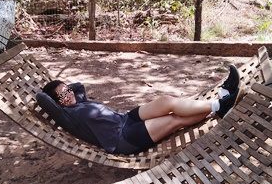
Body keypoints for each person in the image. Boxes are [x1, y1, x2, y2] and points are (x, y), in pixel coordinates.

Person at [37, 65, 241, 155]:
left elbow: (79, 86)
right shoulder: (68, 115)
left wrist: (66, 89)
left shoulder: (78, 101)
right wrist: (56, 99)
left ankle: (219, 101)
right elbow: (43, 99)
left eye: (67, 90)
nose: (69, 94)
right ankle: (220, 104)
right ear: (58, 103)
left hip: (124, 119)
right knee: (174, 120)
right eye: (63, 96)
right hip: (123, 139)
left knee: (166, 101)